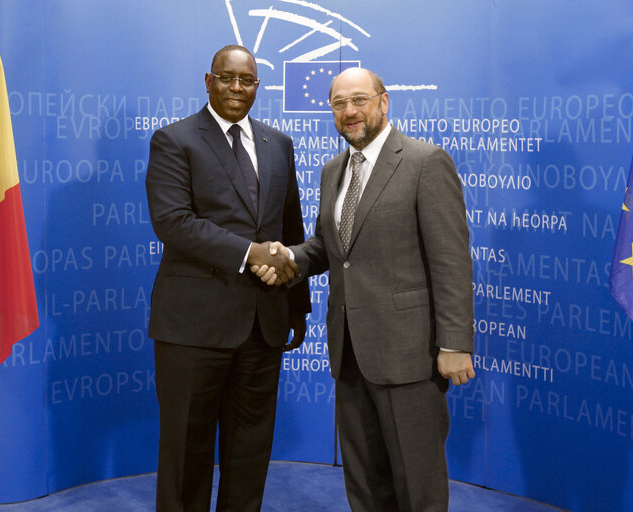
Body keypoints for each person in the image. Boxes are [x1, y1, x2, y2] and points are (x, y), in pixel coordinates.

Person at [253, 67, 475, 512]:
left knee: (418, 486)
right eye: (339, 103)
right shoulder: (334, 169)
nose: (350, 112)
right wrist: (290, 259)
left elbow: (450, 261)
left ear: (383, 101)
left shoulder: (425, 161)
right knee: (365, 484)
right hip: (350, 352)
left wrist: (454, 343)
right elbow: (330, 247)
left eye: (359, 100)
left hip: (410, 356)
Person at [145, 44, 311, 511]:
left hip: (264, 324)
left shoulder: (277, 143)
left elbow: (290, 228)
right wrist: (250, 252)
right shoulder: (174, 140)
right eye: (228, 78)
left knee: (250, 452)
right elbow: (173, 222)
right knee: (186, 454)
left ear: (258, 86)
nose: (238, 88)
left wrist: (297, 305)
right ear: (208, 80)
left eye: (248, 80)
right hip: (193, 327)